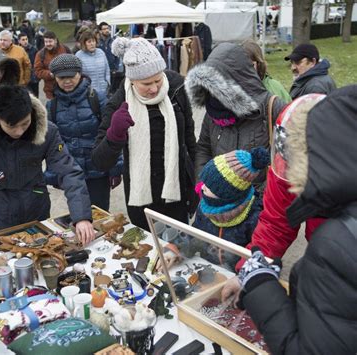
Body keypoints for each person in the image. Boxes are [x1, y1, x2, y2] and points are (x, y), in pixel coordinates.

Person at [229, 85, 357, 354]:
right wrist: (249, 268)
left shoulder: (336, 246)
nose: (293, 182)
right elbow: (275, 220)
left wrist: (260, 284)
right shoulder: (292, 160)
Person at [0, 85, 96, 244]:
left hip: (34, 199)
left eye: (25, 123)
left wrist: (81, 217)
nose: (19, 131)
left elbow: (69, 172)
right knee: (6, 248)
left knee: (41, 247)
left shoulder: (48, 131)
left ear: (31, 113)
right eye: (11, 126)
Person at [92, 37, 197, 230]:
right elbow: (100, 161)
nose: (155, 88)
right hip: (142, 199)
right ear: (131, 80)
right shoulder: (118, 104)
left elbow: (190, 140)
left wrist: (198, 180)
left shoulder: (176, 88)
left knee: (178, 251)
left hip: (177, 192)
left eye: (158, 80)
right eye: (146, 83)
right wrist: (115, 135)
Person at [187, 43, 286, 192]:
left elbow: (288, 161)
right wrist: (203, 183)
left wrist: (262, 198)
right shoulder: (213, 110)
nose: (215, 92)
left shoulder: (272, 108)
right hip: (219, 202)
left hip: (260, 204)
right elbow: (204, 148)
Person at [46, 54, 122, 211]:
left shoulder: (98, 99)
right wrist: (53, 174)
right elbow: (52, 144)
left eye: (71, 76)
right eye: (61, 78)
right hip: (71, 172)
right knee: (78, 216)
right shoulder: (51, 106)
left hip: (98, 171)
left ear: (80, 74)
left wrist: (115, 169)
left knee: (100, 215)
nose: (67, 81)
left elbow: (112, 136)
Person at [34, 31, 71, 100]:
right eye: (46, 42)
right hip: (50, 91)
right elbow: (37, 71)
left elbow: (72, 63)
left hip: (66, 87)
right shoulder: (40, 54)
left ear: (55, 40)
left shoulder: (65, 49)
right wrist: (50, 74)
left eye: (50, 41)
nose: (48, 44)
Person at [75, 30, 110, 97]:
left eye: (93, 41)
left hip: (103, 89)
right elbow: (77, 74)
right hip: (88, 92)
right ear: (84, 43)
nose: (92, 44)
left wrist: (108, 82)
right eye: (89, 42)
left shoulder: (101, 52)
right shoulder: (79, 55)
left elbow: (107, 69)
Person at [98, 22, 122, 96]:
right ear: (100, 31)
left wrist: (116, 67)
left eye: (107, 28)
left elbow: (117, 54)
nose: (106, 30)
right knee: (105, 89)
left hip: (112, 69)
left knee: (113, 90)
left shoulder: (113, 40)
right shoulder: (97, 42)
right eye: (104, 29)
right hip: (102, 70)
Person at [19, 32, 39, 97]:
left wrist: (37, 75)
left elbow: (38, 63)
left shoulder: (33, 49)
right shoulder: (17, 51)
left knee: (35, 97)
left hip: (33, 77)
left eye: (26, 39)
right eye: (23, 40)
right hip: (22, 78)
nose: (25, 41)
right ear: (19, 41)